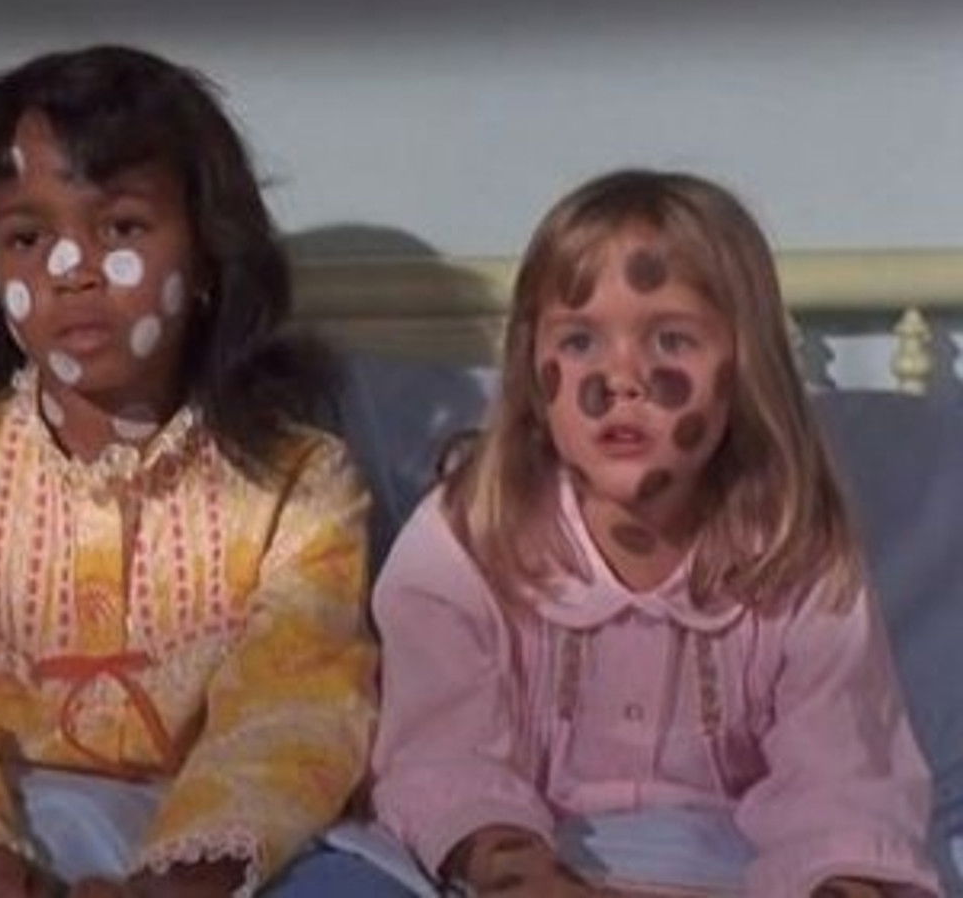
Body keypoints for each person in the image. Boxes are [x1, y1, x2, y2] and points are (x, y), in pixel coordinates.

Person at [0, 44, 395, 898]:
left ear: (208, 255)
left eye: (120, 228)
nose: (70, 270)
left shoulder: (299, 484)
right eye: (27, 238)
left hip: (206, 860)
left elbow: (296, 704)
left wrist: (191, 873)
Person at [368, 170, 941, 897]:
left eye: (672, 339)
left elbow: (844, 783)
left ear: (745, 367)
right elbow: (440, 759)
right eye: (580, 341)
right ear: (532, 371)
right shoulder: (468, 540)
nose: (624, 377)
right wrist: (525, 878)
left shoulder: (795, 556)